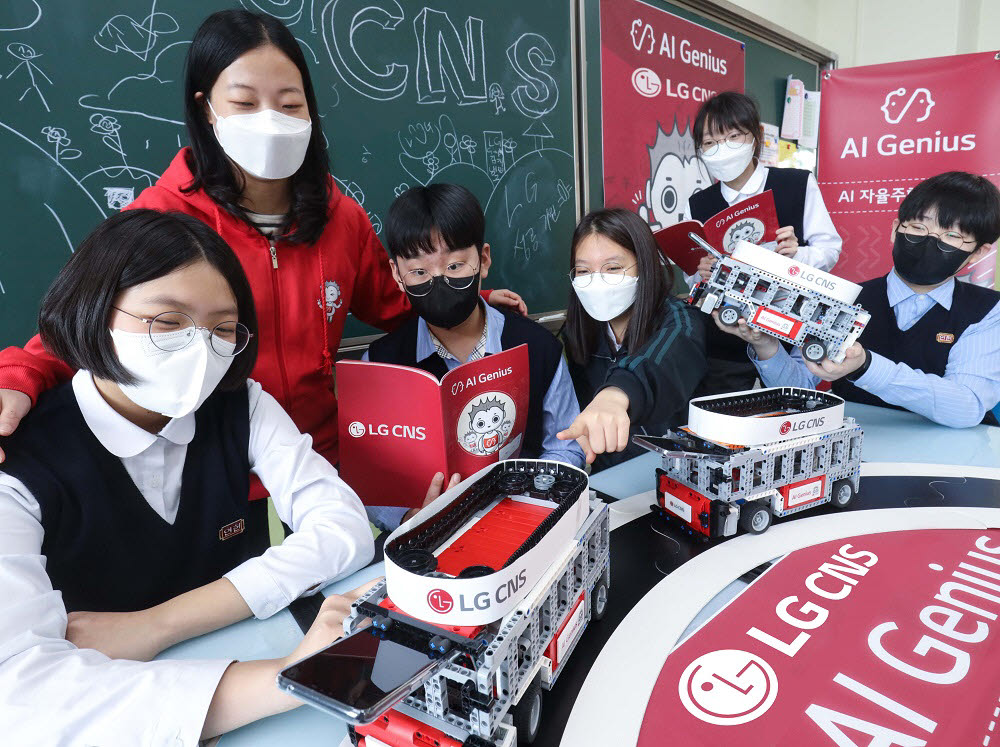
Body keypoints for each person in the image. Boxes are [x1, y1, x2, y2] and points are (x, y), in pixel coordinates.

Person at [0, 9, 524, 480]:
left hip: (325, 462)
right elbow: (78, 329)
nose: (270, 120)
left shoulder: (340, 216)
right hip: (206, 472)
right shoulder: (161, 219)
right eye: (244, 103)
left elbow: (396, 305)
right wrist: (17, 380)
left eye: (289, 103)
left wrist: (471, 310)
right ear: (207, 108)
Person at [0, 209, 375, 743]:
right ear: (95, 308)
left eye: (223, 328)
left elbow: (343, 528)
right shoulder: (18, 458)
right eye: (168, 321)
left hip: (238, 648)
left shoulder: (240, 405)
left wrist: (158, 624)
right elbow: (21, 695)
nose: (201, 349)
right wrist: (286, 677)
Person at [363, 184, 585, 529]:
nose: (438, 281)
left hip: (525, 522)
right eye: (419, 272)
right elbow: (370, 477)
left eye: (454, 266)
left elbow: (567, 444)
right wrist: (407, 518)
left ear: (483, 260)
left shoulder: (537, 348)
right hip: (425, 535)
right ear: (396, 274)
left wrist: (531, 498)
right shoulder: (378, 365)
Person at [715, 171, 1000, 428]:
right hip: (855, 448)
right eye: (918, 228)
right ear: (895, 229)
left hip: (955, 463)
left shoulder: (987, 311)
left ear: (978, 253)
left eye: (951, 235)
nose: (930, 241)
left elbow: (967, 405)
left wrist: (866, 366)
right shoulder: (845, 299)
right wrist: (765, 345)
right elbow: (799, 389)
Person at [687, 91, 842, 395]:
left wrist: (797, 254)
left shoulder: (796, 184)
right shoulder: (700, 204)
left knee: (787, 409)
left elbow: (829, 249)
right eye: (710, 142)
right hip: (725, 340)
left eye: (734, 136)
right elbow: (693, 275)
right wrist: (700, 271)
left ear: (756, 136)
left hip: (789, 328)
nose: (723, 149)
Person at [557, 208, 707, 470]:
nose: (597, 281)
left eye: (612, 268)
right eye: (583, 271)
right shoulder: (580, 331)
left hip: (679, 476)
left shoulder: (681, 322)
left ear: (644, 265)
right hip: (608, 484)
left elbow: (659, 363)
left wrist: (615, 395)